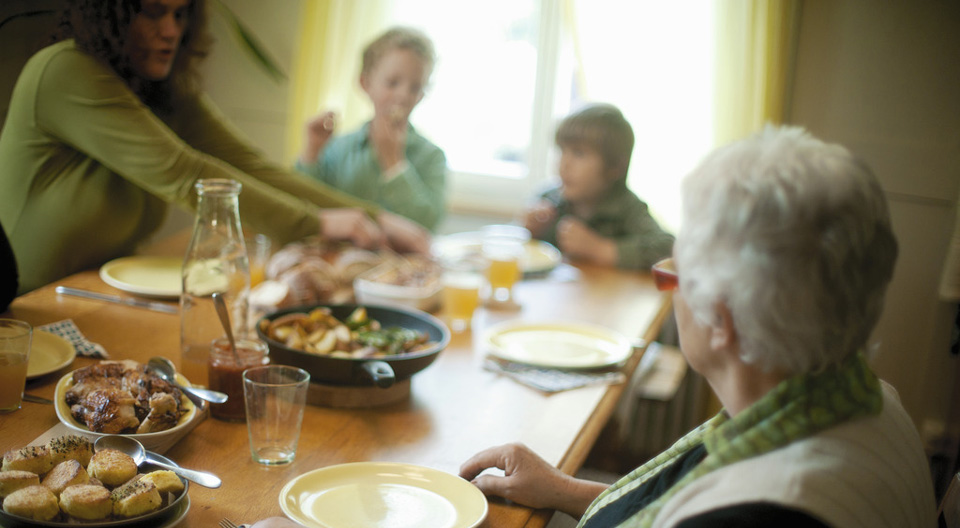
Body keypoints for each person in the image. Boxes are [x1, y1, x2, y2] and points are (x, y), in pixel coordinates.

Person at [459, 126, 937, 527]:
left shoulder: (761, 510)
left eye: (673, 272)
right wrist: (561, 489)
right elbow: (681, 501)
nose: (670, 285)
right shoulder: (872, 402)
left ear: (721, 319)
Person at [0, 0, 429, 295]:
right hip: (26, 308)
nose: (170, 30)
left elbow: (252, 166)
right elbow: (185, 173)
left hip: (92, 293)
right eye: (152, 13)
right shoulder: (64, 70)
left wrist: (378, 218)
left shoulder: (161, 90)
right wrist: (317, 222)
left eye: (180, 13)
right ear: (110, 14)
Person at [295, 26, 447, 231]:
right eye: (392, 83)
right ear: (365, 83)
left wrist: (394, 164)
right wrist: (312, 151)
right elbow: (303, 207)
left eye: (415, 87)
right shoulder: (337, 150)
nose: (403, 96)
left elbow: (427, 226)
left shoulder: (432, 157)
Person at [523, 104, 674, 270]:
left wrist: (601, 249)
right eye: (561, 151)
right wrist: (529, 230)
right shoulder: (549, 199)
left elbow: (668, 247)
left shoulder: (627, 208)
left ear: (614, 167)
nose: (564, 164)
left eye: (579, 153)